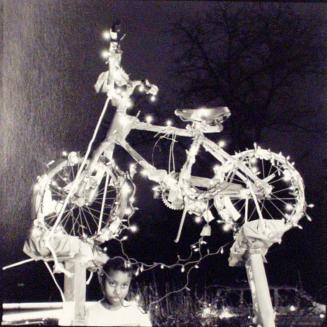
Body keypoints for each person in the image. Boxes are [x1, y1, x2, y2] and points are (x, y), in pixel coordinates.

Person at [86, 257, 152, 326]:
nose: (117, 292)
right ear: (102, 281)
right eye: (112, 284)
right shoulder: (91, 313)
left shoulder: (136, 313)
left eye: (124, 285)